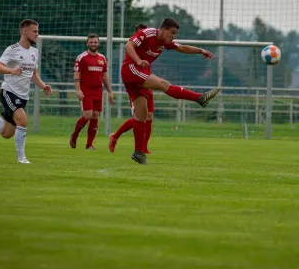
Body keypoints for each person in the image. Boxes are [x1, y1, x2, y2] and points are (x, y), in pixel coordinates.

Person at [121, 17, 220, 164]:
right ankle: (200, 98)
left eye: (175, 34)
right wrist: (138, 60)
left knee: (141, 116)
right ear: (163, 29)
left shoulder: (163, 42)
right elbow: (128, 45)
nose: (173, 36)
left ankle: (139, 153)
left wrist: (201, 50)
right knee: (163, 84)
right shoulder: (147, 33)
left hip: (135, 75)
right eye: (172, 33)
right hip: (131, 69)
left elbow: (181, 48)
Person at [0, 19, 53, 164]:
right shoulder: (12, 49)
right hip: (9, 92)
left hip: (23, 96)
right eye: (35, 31)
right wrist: (12, 70)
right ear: (24, 31)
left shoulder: (35, 52)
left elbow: (33, 73)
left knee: (6, 133)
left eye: (38, 31)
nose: (37, 34)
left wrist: (43, 86)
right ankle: (22, 159)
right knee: (23, 120)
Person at [108, 24, 155, 155]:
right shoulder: (132, 49)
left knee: (149, 116)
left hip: (147, 84)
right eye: (140, 33)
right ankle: (115, 136)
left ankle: (144, 147)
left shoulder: (149, 47)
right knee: (139, 117)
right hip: (136, 86)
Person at [69, 34, 114, 150]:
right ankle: (74, 135)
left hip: (98, 91)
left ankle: (89, 144)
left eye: (95, 42)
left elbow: (105, 77)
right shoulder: (82, 57)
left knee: (95, 116)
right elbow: (76, 75)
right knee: (87, 115)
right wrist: (78, 90)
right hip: (86, 90)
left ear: (98, 43)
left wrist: (109, 92)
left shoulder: (102, 58)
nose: (93, 44)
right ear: (87, 43)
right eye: (91, 42)